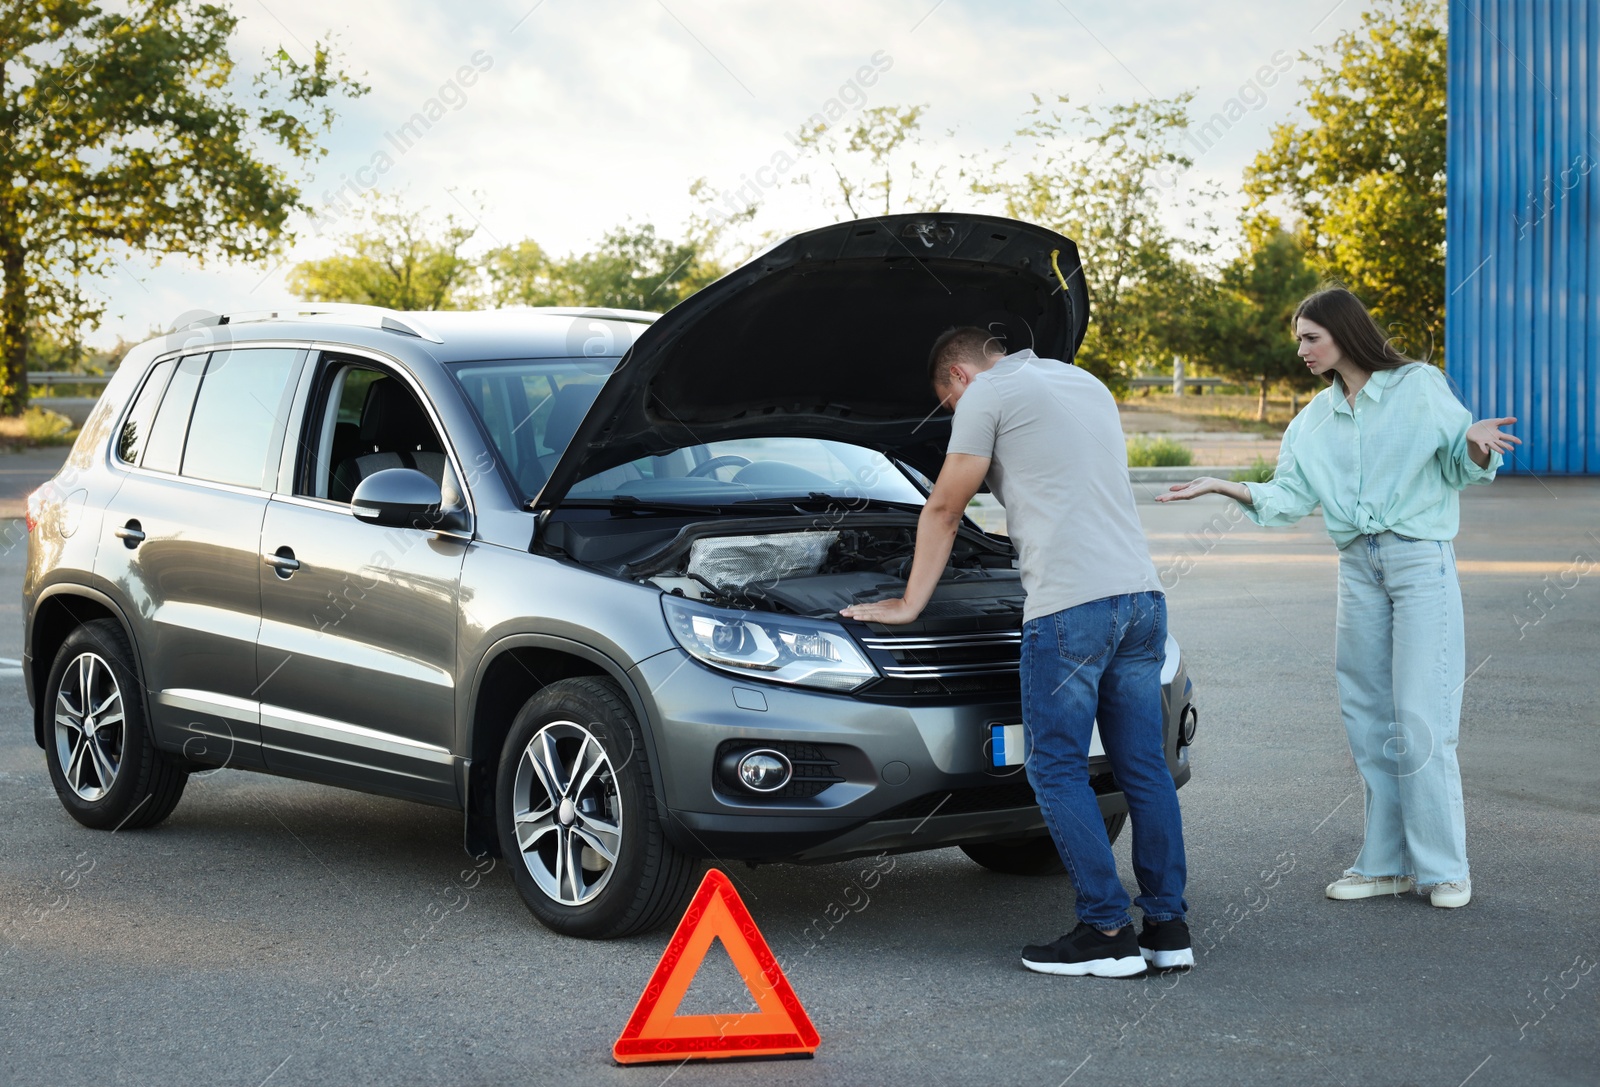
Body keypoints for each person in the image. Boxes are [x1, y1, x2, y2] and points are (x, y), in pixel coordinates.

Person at [841, 327, 1189, 978]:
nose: (953, 418)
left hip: (1071, 607)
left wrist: (908, 604)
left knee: (1055, 767)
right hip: (1143, 599)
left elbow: (945, 506)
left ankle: (1106, 930)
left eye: (946, 407)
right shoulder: (1082, 382)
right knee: (1143, 767)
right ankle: (1167, 928)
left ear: (958, 377)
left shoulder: (986, 393)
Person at [1158, 287, 1519, 909]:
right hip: (1358, 568)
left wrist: (1477, 443)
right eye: (1298, 339)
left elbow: (1461, 466)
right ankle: (1385, 865)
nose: (1300, 349)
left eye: (1310, 337)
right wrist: (1222, 485)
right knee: (1369, 719)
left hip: (1417, 561)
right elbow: (1288, 498)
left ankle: (1444, 868)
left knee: (1419, 716)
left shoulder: (1419, 385)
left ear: (1344, 333)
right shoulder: (1311, 422)